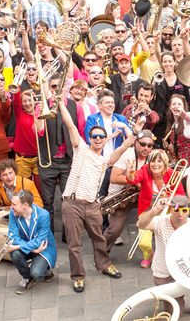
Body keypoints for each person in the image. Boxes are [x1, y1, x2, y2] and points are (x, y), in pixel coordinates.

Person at [51, 91, 133, 293]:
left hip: (93, 205)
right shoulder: (80, 149)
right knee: (74, 244)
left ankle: (104, 265)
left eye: (101, 137)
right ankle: (78, 276)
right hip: (73, 204)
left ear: (105, 139)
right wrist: (61, 104)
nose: (97, 139)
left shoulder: (105, 160)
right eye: (94, 136)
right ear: (89, 138)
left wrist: (135, 132)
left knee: (99, 238)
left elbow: (123, 147)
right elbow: (70, 125)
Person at [136, 195, 190, 317]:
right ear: (171, 210)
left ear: (188, 211)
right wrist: (155, 210)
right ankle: (174, 299)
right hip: (165, 274)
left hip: (185, 270)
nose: (180, 214)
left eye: (184, 211)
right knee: (174, 313)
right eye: (176, 210)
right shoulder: (161, 221)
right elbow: (140, 225)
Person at [7, 189, 56, 293]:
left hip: (43, 250)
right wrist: (33, 250)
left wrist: (18, 247)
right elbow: (13, 238)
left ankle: (46, 269)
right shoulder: (12, 213)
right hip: (34, 248)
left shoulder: (44, 215)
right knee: (15, 254)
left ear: (25, 206)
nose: (11, 207)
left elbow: (40, 242)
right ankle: (27, 278)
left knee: (37, 273)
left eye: (14, 204)